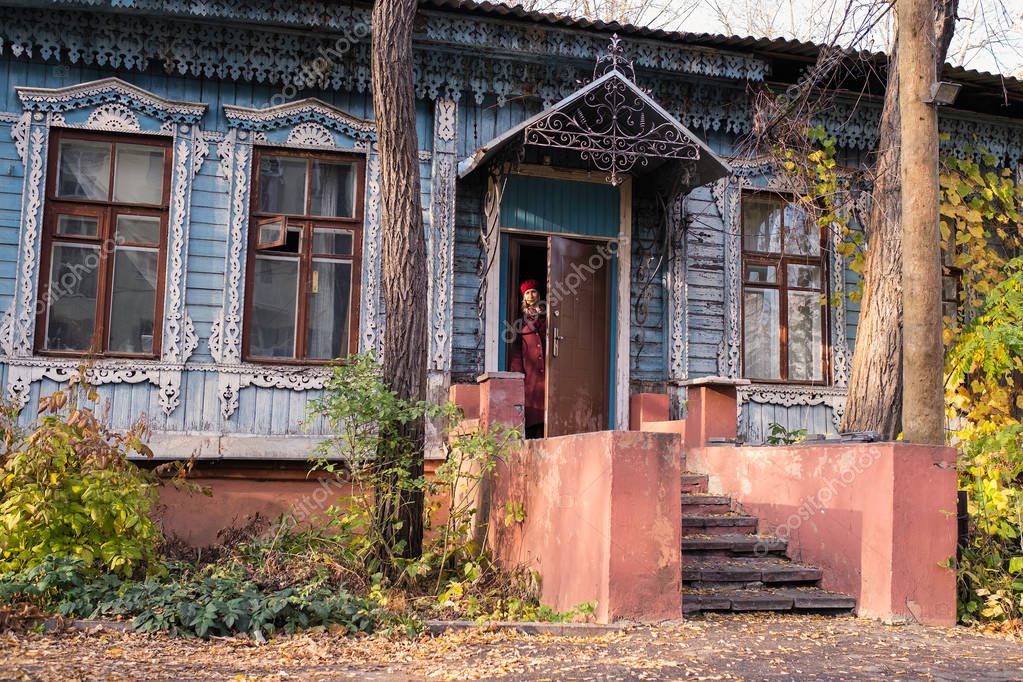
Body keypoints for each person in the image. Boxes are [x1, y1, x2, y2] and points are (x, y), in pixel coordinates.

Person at [508, 279, 547, 439]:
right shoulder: (521, 320)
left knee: (548, 408)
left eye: (534, 292)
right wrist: (517, 373)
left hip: (547, 366)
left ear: (538, 294)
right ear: (524, 297)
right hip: (530, 371)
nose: (531, 295)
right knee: (533, 409)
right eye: (527, 293)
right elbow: (517, 347)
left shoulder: (547, 314)